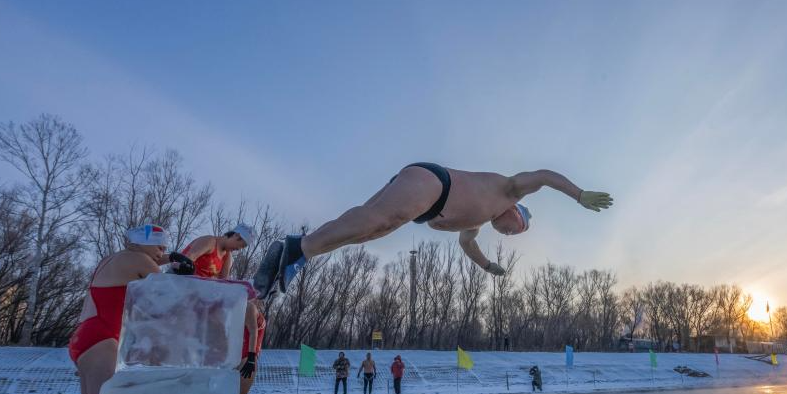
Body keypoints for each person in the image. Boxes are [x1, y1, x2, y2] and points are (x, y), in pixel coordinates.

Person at [253, 164, 613, 297]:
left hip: (425, 200)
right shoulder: (510, 189)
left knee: (370, 228)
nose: (507, 235)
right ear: (516, 214)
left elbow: (468, 247)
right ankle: (298, 248)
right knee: (378, 220)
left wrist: (489, 267)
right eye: (513, 231)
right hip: (434, 183)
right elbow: (545, 176)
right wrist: (579, 195)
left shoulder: (475, 225)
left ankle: (298, 254)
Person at [66, 225, 176, 394]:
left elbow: (154, 262)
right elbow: (169, 292)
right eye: (159, 247)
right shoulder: (140, 259)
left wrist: (171, 258)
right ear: (143, 244)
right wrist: (177, 271)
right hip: (103, 340)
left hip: (86, 336)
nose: (162, 252)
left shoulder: (112, 259)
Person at [181, 224, 255, 279]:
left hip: (200, 291)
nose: (238, 249)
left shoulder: (227, 257)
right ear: (236, 235)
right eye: (241, 245)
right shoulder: (210, 241)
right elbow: (186, 259)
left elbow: (224, 282)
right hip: (182, 282)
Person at [239, 298, 265, 394]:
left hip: (246, 356)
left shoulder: (250, 307)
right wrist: (251, 359)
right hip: (247, 357)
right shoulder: (250, 306)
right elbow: (253, 332)